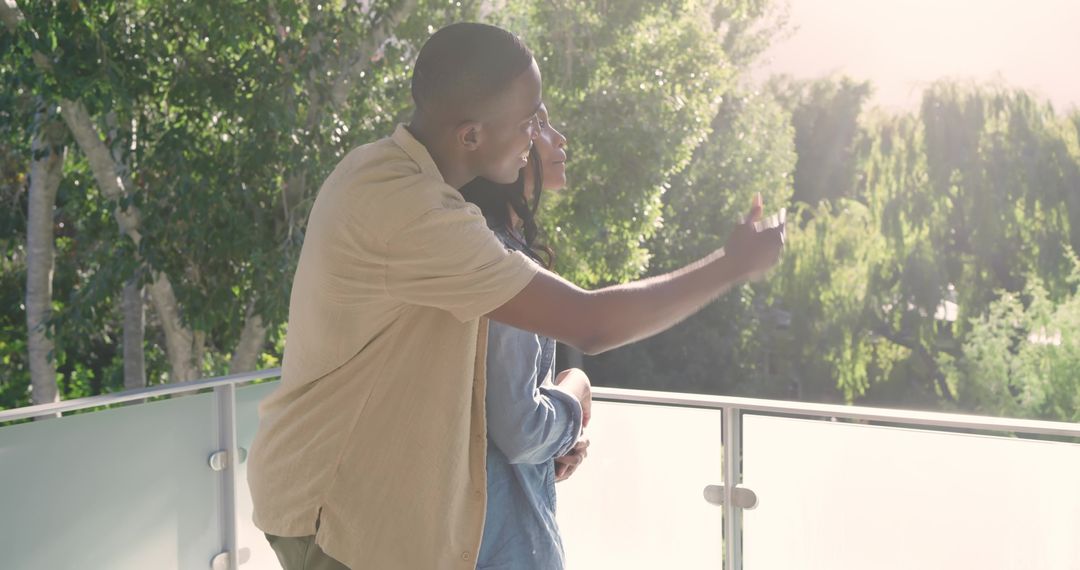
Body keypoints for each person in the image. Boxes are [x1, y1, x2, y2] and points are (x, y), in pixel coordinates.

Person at [247, 22, 784, 570]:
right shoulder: (414, 211)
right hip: (330, 512)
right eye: (530, 121)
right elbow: (592, 323)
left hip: (351, 499)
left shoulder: (390, 174)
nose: (538, 135)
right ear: (471, 135)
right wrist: (731, 265)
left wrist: (540, 439)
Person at [459, 103, 587, 569]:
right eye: (538, 125)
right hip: (503, 547)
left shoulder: (484, 246)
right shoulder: (498, 260)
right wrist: (577, 389)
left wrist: (561, 439)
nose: (559, 139)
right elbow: (520, 429)